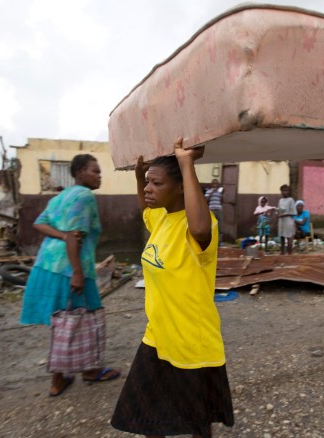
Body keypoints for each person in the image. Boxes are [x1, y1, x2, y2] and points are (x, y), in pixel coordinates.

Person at [111, 139, 234, 437]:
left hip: (191, 340)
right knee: (148, 415)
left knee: (197, 422)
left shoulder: (201, 228)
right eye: (148, 183)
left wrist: (186, 163)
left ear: (180, 187)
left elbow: (201, 228)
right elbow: (145, 208)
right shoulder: (161, 219)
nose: (148, 189)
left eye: (157, 183)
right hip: (158, 335)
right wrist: (140, 176)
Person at [20, 154, 120, 397]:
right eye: (94, 171)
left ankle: (64, 375)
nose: (99, 176)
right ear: (79, 173)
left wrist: (61, 235)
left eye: (99, 172)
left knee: (64, 320)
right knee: (84, 316)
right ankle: (83, 372)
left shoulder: (60, 196)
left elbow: (39, 224)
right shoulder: (84, 196)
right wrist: (76, 272)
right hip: (71, 268)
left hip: (46, 266)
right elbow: (75, 237)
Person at [277, 184, 297, 255]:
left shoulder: (291, 200)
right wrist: (278, 213)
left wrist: (283, 215)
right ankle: (282, 252)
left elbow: (293, 213)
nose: (284, 192)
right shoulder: (280, 200)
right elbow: (279, 210)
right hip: (281, 221)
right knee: (282, 237)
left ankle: (290, 253)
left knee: (289, 237)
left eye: (286, 190)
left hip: (288, 221)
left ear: (288, 191)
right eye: (283, 191)